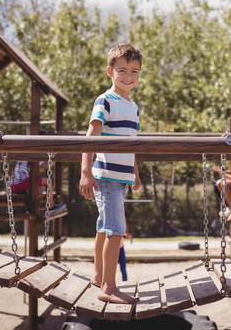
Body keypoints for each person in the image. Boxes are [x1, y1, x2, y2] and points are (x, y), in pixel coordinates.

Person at [79, 43, 143, 304]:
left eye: (134, 71)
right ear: (110, 71)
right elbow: (90, 137)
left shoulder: (133, 106)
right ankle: (108, 287)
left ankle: (97, 275)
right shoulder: (105, 100)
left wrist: (135, 172)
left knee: (105, 230)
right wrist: (85, 171)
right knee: (115, 230)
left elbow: (131, 143)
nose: (128, 77)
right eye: (122, 70)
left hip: (121, 177)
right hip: (105, 176)